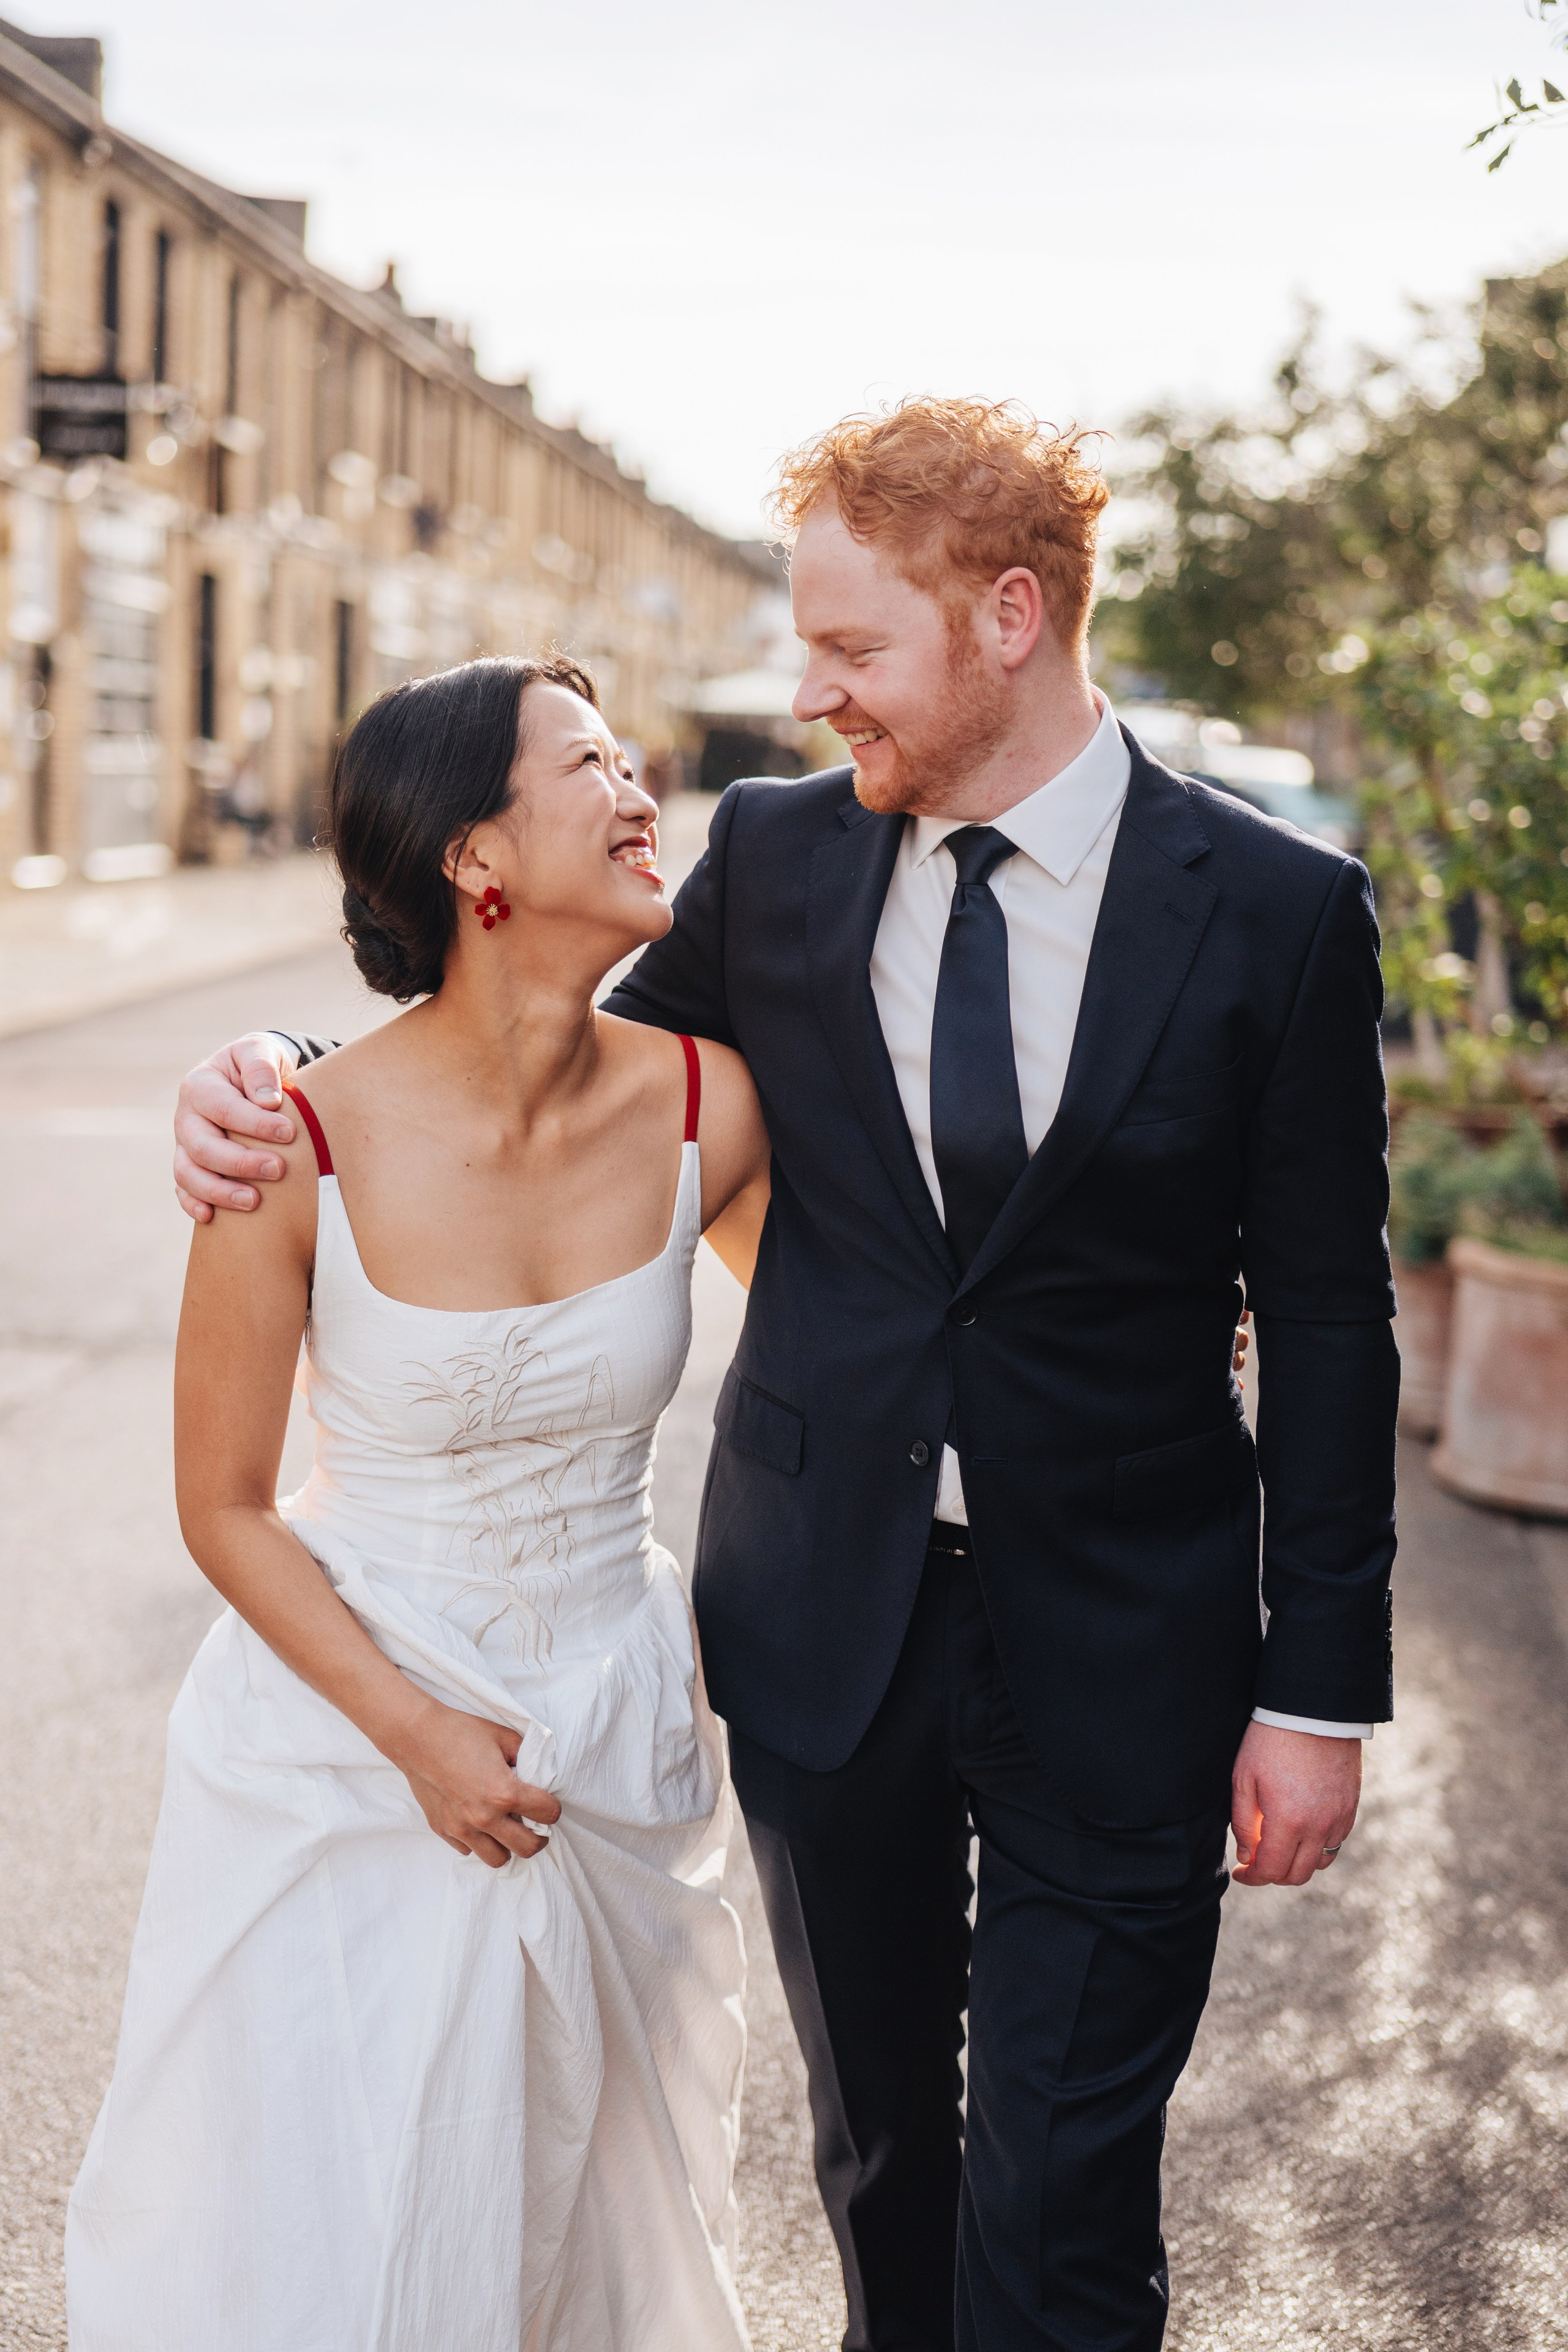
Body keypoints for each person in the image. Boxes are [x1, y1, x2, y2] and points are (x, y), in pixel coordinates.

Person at [172, 399, 1399, 2352]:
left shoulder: (1275, 916)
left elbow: (1334, 1316)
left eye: (849, 648)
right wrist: (260, 1074)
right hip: (835, 1630)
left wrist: (1319, 1686)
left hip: (1133, 1635)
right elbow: (510, 1054)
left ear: (1010, 618)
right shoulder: (776, 868)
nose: (811, 694)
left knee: (1063, 2205)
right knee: (884, 2161)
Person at [70, 655, 774, 2351]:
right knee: (346, 2214)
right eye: (591, 766)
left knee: (588, 2218)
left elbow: (890, 1335)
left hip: (615, 1729)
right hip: (350, 1742)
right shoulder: (288, 1144)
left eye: (634, 762)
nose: (641, 793)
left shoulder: (711, 1108)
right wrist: (418, 1733)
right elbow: (224, 1505)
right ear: (476, 857)